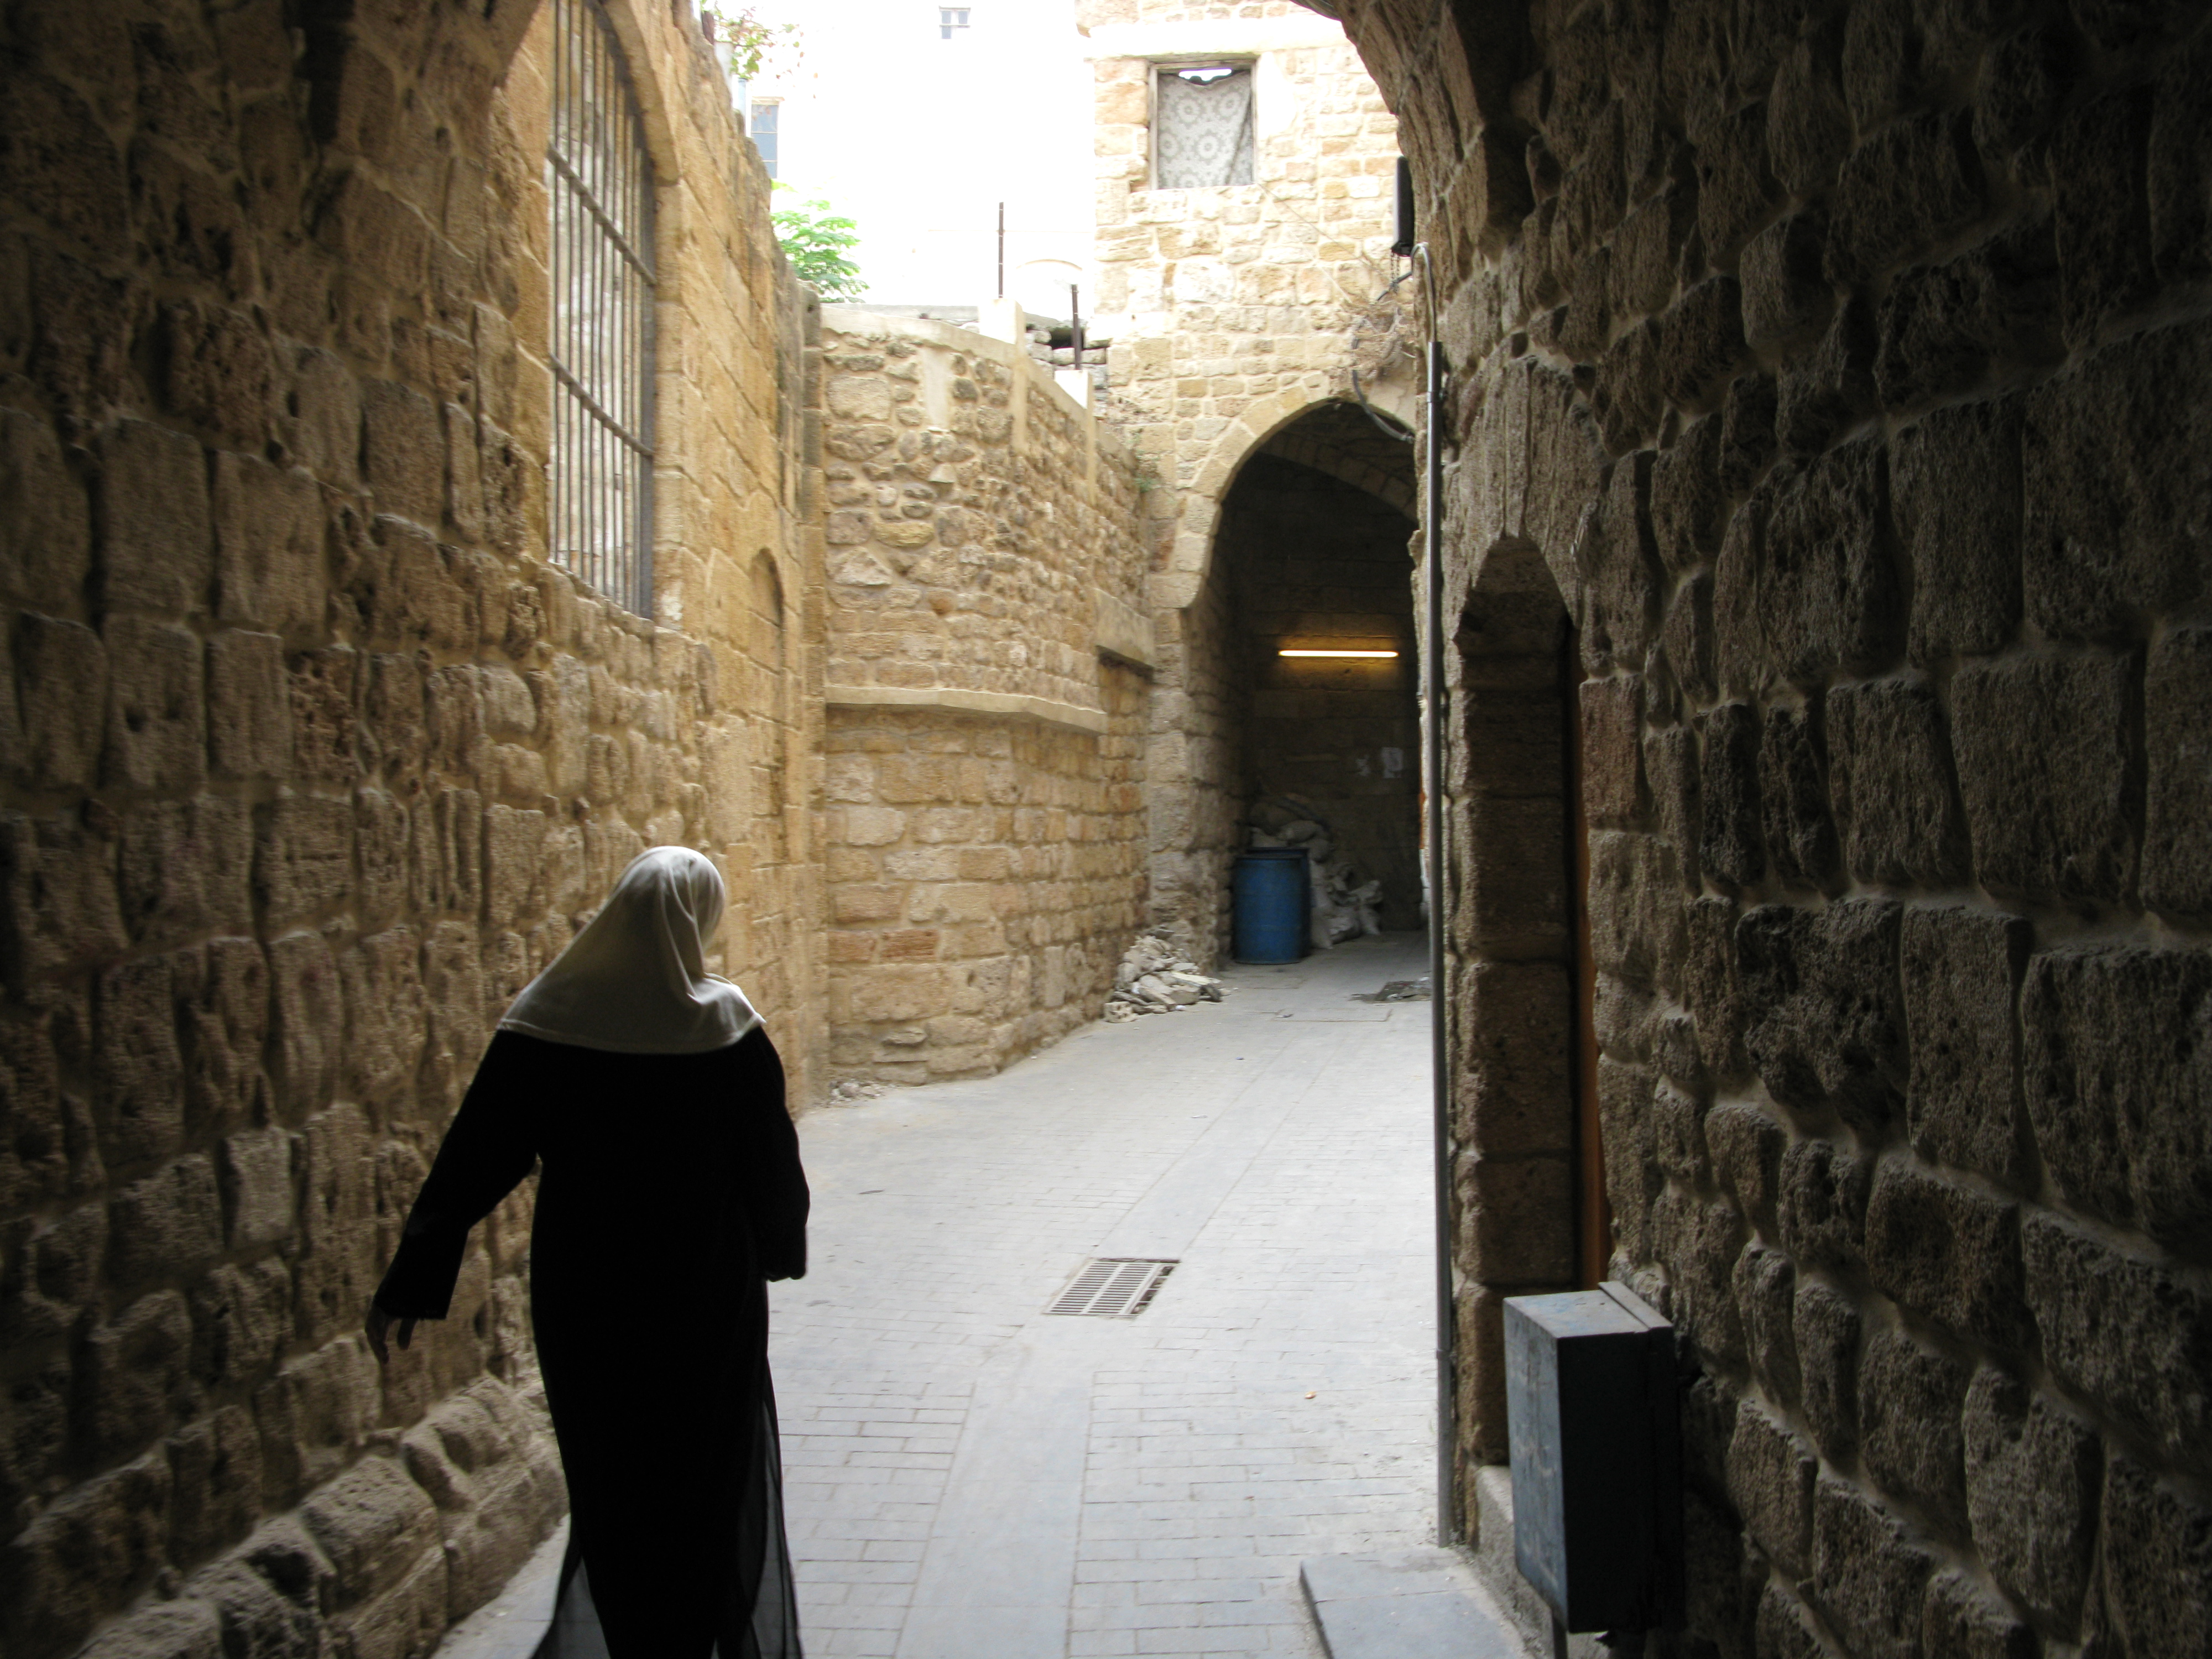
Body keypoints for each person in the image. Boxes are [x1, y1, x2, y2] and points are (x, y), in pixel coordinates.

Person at [366, 846, 809, 1659]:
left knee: (615, 1478)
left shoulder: (550, 1021)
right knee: (707, 1472)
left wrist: (413, 1274)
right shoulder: (727, 1028)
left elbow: (475, 1156)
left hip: (588, 1297)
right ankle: (698, 1633)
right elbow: (772, 1167)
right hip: (706, 1298)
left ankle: (639, 1637)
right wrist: (781, 1250)